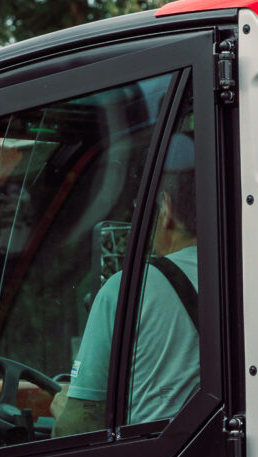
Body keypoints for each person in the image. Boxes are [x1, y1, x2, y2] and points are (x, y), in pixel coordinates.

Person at [54, 134, 201, 436]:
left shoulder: (129, 288)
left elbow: (78, 426)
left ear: (165, 209)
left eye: (142, 208)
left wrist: (61, 408)